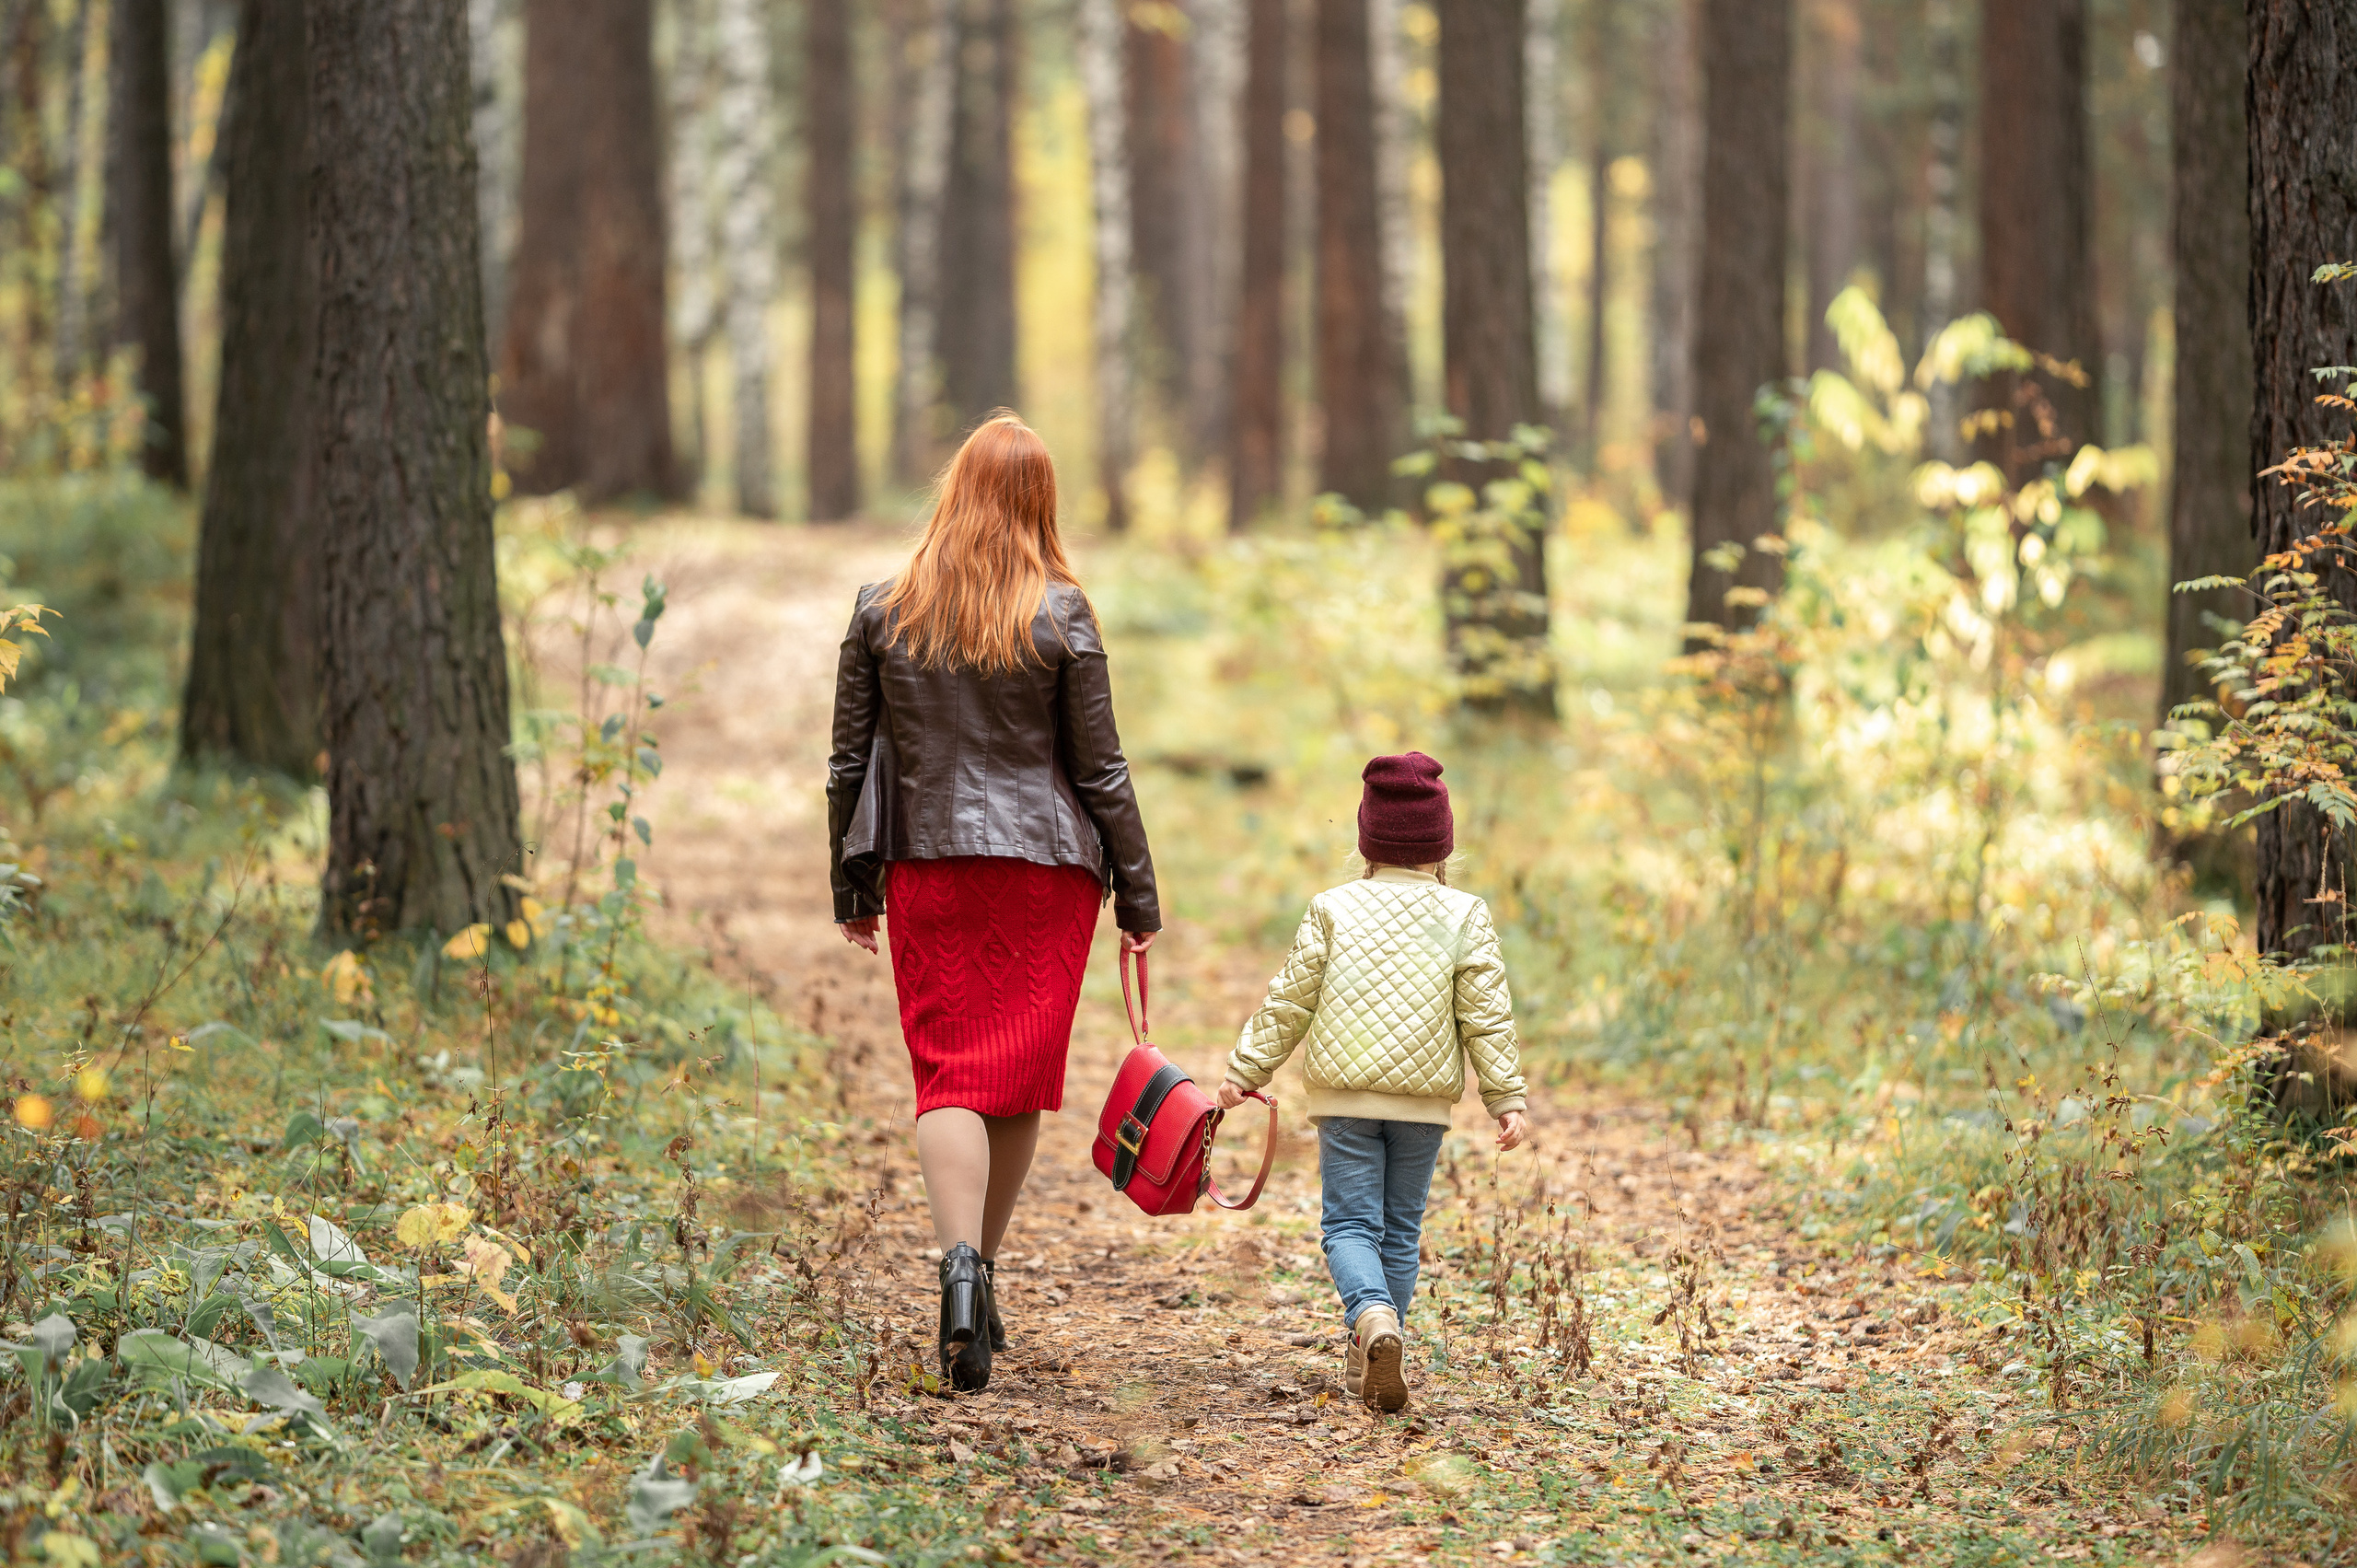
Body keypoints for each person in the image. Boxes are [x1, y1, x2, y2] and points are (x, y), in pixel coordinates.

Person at [828, 412, 1159, 1394]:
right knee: (1012, 1075)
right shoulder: (1063, 612)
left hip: (931, 866)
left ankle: (959, 1266)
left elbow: (848, 758)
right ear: (1039, 502)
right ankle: (979, 1274)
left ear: (954, 492)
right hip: (1045, 874)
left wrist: (852, 879)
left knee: (948, 1074)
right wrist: (1137, 891)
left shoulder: (882, 609)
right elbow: (1099, 769)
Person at [1218, 752, 1527, 1411]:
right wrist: (1506, 1098)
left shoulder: (1331, 908)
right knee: (1398, 1230)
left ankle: (1372, 1320)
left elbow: (1289, 1003)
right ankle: (1378, 1346)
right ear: (1440, 844)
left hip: (1346, 1099)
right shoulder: (1465, 913)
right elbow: (1487, 1015)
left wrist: (1244, 1072)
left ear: (1367, 838)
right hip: (1424, 1103)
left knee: (1349, 1226)